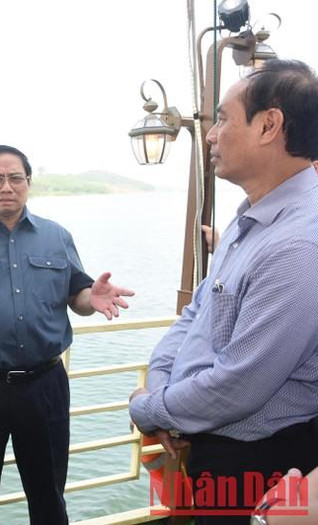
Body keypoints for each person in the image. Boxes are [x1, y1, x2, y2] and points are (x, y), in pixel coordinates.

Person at [128, 59, 318, 525]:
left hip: (262, 462)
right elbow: (198, 311)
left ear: (269, 125)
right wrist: (163, 385)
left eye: (225, 119)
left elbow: (241, 384)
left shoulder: (299, 245)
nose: (211, 135)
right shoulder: (250, 217)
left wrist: (152, 407)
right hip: (216, 448)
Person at [0, 144, 134, 525]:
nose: (7, 186)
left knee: (49, 497)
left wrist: (92, 297)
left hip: (45, 384)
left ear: (28, 183)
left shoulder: (57, 236)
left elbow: (78, 295)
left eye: (15, 177)